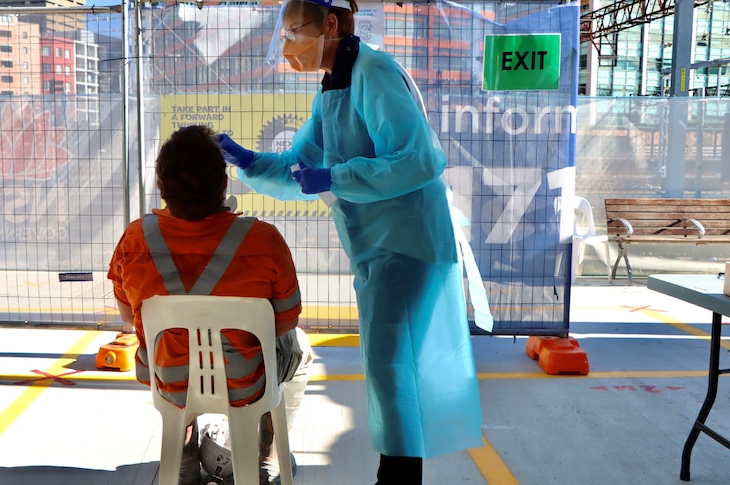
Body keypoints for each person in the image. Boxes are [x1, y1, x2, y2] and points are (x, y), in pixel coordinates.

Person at [215, 0, 483, 483]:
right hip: (379, 250)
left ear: (331, 25)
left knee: (393, 371)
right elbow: (298, 168)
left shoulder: (374, 72)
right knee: (390, 372)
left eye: (294, 31)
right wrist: (248, 160)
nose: (287, 45)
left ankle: (397, 477)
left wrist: (337, 175)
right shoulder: (333, 90)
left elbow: (419, 159)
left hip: (408, 245)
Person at [108, 124, 313, 485]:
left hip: (169, 380)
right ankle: (265, 457)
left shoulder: (135, 239)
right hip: (246, 382)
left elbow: (128, 314)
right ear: (223, 184)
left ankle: (184, 459)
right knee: (302, 349)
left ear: (162, 186)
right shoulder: (264, 240)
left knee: (175, 350)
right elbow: (285, 322)